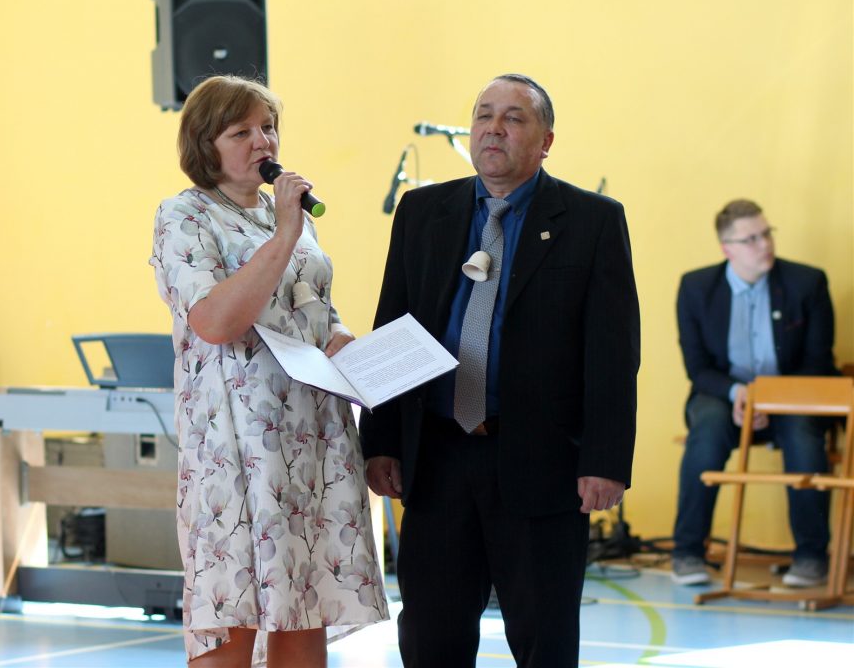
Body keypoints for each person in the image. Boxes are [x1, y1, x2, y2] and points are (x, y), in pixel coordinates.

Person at [360, 74, 639, 668]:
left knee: (544, 640)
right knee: (430, 637)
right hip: (437, 459)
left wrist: (606, 460)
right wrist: (380, 441)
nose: (493, 128)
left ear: (546, 141)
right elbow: (393, 326)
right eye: (483, 115)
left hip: (542, 462)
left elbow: (613, 353)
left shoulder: (591, 221)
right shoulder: (422, 211)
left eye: (514, 118)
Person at [149, 75, 388, 667]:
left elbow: (319, 315)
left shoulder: (294, 221)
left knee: (304, 602)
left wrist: (352, 349)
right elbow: (216, 321)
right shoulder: (186, 215)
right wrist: (283, 232)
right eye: (242, 132)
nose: (263, 142)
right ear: (205, 144)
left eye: (269, 127)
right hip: (238, 443)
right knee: (235, 606)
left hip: (312, 436)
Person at [671, 199, 837, 587]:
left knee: (802, 432)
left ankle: (811, 556)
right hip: (726, 395)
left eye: (767, 234)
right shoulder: (696, 288)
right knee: (707, 426)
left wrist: (767, 396)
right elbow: (698, 369)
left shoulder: (808, 283)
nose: (765, 245)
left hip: (793, 396)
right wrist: (738, 393)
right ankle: (688, 552)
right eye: (751, 239)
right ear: (727, 248)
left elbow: (818, 361)